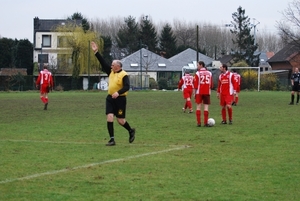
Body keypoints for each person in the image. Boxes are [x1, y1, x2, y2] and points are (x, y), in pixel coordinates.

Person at [91, 41, 135, 146]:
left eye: (113, 65)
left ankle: (130, 130)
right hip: (110, 98)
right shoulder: (111, 72)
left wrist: (118, 93)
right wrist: (96, 52)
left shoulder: (124, 75)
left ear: (118, 66)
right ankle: (112, 139)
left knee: (120, 120)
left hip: (120, 100)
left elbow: (127, 87)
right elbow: (103, 62)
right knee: (109, 117)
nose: (111, 66)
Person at [193, 61, 213, 127]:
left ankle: (199, 123)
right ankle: (205, 123)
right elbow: (211, 84)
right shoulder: (209, 73)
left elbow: (195, 85)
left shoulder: (198, 73)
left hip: (199, 92)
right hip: (207, 92)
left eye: (198, 65)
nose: (197, 66)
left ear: (201, 65)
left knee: (198, 107)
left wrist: (194, 93)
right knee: (206, 107)